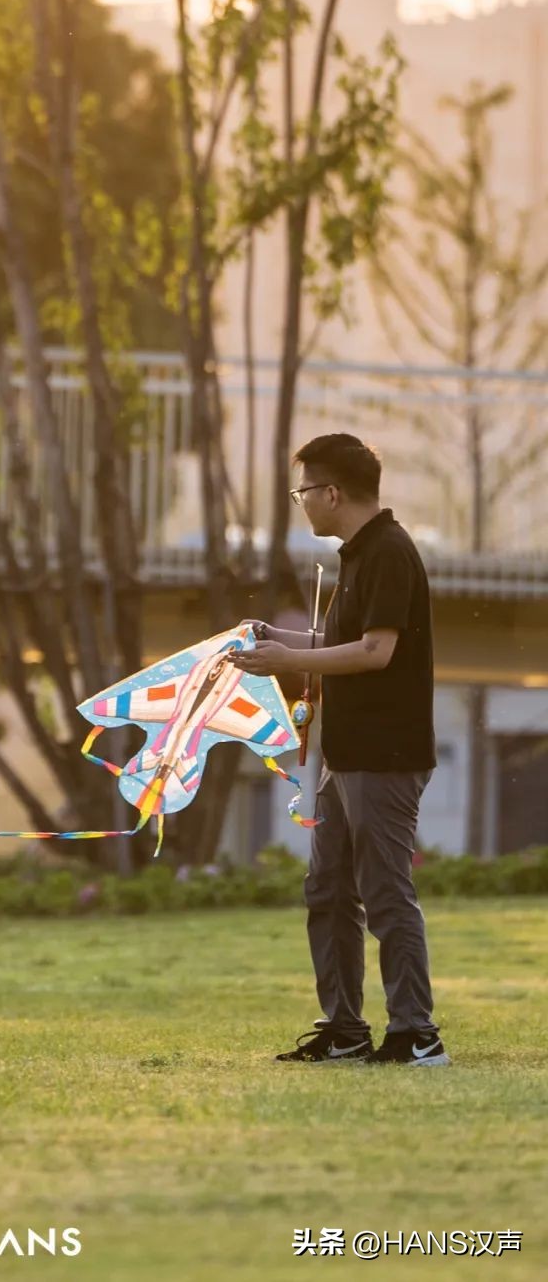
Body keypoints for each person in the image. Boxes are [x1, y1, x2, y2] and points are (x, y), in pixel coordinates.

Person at [230, 433, 449, 1068]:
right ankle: (346, 1028)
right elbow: (347, 637)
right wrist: (282, 638)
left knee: (384, 891)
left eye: (304, 492)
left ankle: (416, 1033)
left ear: (332, 493)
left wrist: (289, 659)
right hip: (343, 754)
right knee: (327, 890)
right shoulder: (357, 553)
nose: (301, 504)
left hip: (385, 754)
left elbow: (377, 653)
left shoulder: (388, 551)